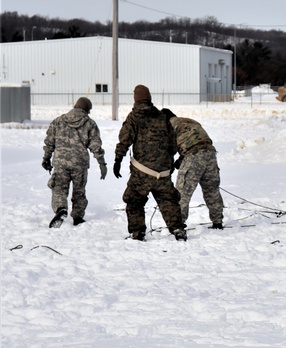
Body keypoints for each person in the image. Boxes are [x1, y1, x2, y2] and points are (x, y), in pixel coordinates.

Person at [113, 84, 187, 241]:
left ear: (135, 99)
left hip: (142, 173)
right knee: (168, 201)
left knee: (134, 200)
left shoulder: (134, 117)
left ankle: (137, 232)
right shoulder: (162, 117)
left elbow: (125, 140)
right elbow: (173, 144)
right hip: (163, 172)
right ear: (149, 98)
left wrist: (118, 159)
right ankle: (178, 229)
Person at [41, 97, 107, 227]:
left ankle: (61, 209)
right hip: (80, 164)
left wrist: (46, 158)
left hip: (61, 162)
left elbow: (49, 142)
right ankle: (77, 216)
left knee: (59, 188)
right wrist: (101, 163)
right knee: (79, 191)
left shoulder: (58, 121)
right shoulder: (89, 123)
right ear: (87, 110)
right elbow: (95, 145)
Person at [161, 109, 224, 229]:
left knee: (182, 192)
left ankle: (178, 224)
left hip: (193, 156)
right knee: (212, 191)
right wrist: (180, 161)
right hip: (210, 153)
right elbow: (195, 141)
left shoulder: (170, 126)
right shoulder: (190, 121)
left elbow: (170, 149)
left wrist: (168, 165)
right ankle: (217, 222)